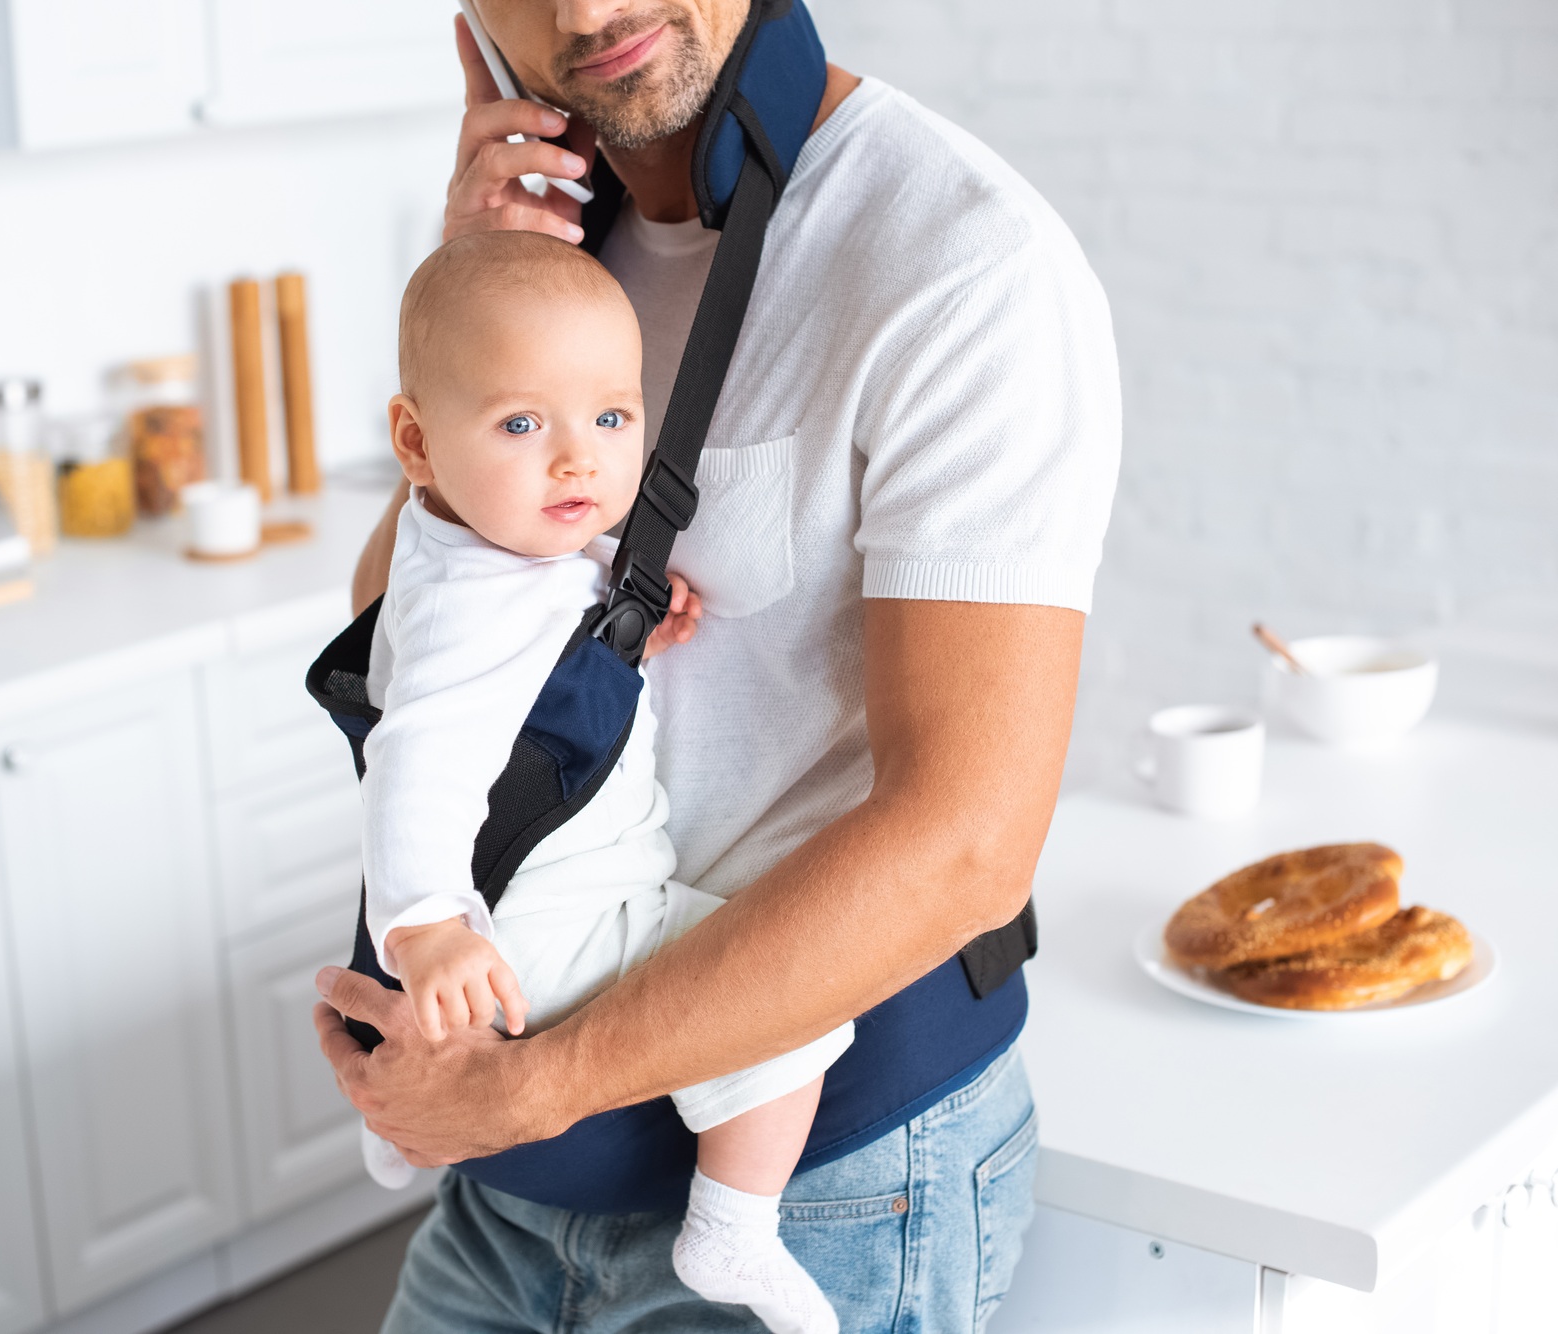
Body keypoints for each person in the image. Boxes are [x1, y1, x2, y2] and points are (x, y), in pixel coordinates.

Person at [314, 0, 1121, 1329]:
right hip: (523, 1175)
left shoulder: (963, 260)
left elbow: (969, 842)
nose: (586, 10)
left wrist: (529, 1083)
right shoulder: (536, 259)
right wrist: (470, 301)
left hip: (825, 1186)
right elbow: (408, 643)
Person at [359, 229, 853, 1333]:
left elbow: (525, 679)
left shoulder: (468, 550)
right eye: (522, 423)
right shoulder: (471, 613)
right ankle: (733, 1222)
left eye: (611, 418)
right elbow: (412, 761)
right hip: (562, 923)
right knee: (779, 1000)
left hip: (529, 912)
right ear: (416, 441)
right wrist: (425, 924)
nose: (577, 461)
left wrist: (616, 624)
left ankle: (388, 1129)